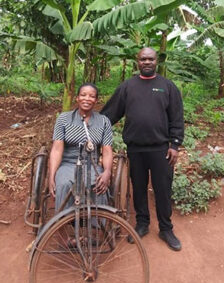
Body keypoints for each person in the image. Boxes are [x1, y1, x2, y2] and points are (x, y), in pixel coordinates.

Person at [101, 47, 184, 251]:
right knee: (138, 187)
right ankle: (142, 223)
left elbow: (176, 117)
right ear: (137, 62)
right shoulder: (128, 86)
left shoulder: (167, 86)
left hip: (161, 149)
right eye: (143, 59)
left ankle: (166, 228)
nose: (147, 62)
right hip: (136, 149)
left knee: (163, 189)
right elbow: (111, 113)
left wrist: (175, 144)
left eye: (150, 59)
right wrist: (92, 128)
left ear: (157, 62)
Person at [49, 83, 113, 212]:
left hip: (92, 165)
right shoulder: (64, 119)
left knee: (99, 184)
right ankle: (65, 220)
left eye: (91, 96)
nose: (87, 99)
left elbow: (106, 151)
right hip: (68, 164)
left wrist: (107, 172)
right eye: (83, 95)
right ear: (77, 98)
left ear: (96, 100)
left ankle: (96, 223)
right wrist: (51, 176)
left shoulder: (104, 121)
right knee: (64, 184)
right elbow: (56, 149)